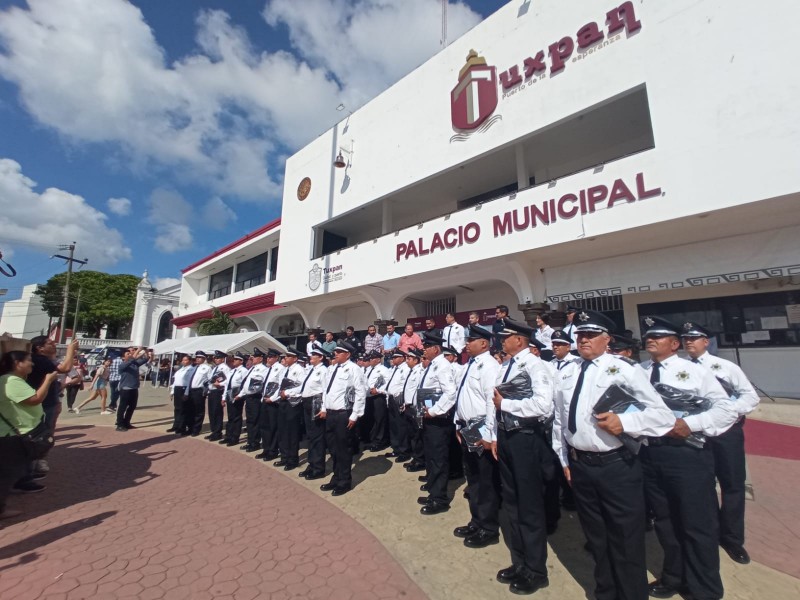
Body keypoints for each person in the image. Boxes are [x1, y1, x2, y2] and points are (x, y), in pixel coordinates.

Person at [552, 310, 675, 600]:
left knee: (626, 540)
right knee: (596, 538)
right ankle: (605, 592)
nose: (583, 340)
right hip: (581, 467)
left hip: (616, 466)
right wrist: (564, 460)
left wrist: (627, 423)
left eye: (591, 335)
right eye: (580, 334)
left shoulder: (624, 368)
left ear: (606, 340)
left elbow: (663, 417)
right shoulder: (567, 371)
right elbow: (560, 420)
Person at [639, 316, 736, 600]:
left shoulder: (693, 371)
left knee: (697, 524)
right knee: (666, 523)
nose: (650, 340)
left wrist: (691, 425)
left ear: (675, 343)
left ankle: (704, 588)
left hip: (687, 454)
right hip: (651, 453)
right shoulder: (639, 371)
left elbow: (725, 410)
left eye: (658, 336)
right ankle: (674, 577)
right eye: (648, 337)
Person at [681, 321, 760, 565]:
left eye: (694, 338)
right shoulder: (681, 368)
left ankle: (732, 538)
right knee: (701, 486)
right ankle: (709, 532)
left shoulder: (725, 367)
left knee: (732, 484)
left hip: (726, 433)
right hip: (696, 433)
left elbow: (750, 396)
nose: (689, 342)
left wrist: (725, 411)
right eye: (685, 338)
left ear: (706, 341)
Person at [492, 318, 553, 595]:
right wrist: (495, 435)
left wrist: (507, 404)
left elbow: (543, 405)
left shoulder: (534, 365)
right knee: (512, 503)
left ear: (520, 340)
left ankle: (536, 570)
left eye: (507, 337)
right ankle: (520, 561)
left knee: (529, 506)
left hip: (526, 440)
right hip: (506, 437)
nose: (502, 341)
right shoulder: (507, 365)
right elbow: (493, 404)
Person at [453, 325, 501, 548]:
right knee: (472, 479)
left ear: (483, 343)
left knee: (484, 481)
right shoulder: (469, 365)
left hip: (481, 430)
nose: (466, 344)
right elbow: (461, 395)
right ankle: (476, 521)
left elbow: (491, 403)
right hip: (467, 428)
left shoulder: (489, 366)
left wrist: (489, 435)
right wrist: (457, 422)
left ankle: (488, 528)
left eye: (470, 340)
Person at [0, 351, 59, 512]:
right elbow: (34, 400)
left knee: (11, 472)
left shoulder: (13, 380)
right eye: (28, 361)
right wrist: (47, 380)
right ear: (17, 363)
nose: (31, 364)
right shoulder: (10, 381)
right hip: (11, 435)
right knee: (7, 474)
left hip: (14, 433)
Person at [319, 340, 367, 496]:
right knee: (333, 448)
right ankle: (336, 476)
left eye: (339, 352)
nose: (336, 354)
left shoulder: (354, 369)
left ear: (347, 354)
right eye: (336, 352)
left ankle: (344, 481)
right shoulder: (332, 369)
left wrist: (355, 415)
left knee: (343, 449)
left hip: (344, 414)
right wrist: (324, 408)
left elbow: (360, 392)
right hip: (331, 414)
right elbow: (326, 390)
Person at [417, 331, 457, 515]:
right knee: (431, 458)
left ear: (436, 348)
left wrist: (434, 411)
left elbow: (450, 393)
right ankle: (433, 491)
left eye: (427, 347)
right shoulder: (432, 365)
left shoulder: (443, 366)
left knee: (438, 459)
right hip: (429, 419)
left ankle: (439, 499)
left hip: (438, 421)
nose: (424, 349)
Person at [298, 347, 330, 480]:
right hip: (307, 403)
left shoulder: (323, 371)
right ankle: (311, 465)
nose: (311, 357)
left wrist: (324, 408)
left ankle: (318, 468)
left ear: (321, 357)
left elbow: (325, 391)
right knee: (311, 436)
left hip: (316, 403)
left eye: (314, 355)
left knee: (317, 436)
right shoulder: (311, 370)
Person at [276, 347, 307, 471]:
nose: (285, 358)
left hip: (293, 403)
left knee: (292, 432)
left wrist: (288, 393)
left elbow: (301, 387)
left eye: (288, 356)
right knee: (282, 431)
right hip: (282, 402)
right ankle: (284, 456)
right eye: (285, 357)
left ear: (295, 358)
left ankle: (292, 459)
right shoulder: (284, 370)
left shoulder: (300, 370)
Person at [378, 349, 410, 461]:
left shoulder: (405, 369)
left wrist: (403, 401)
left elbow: (405, 386)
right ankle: (396, 448)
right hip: (391, 398)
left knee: (401, 426)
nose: (393, 359)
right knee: (393, 426)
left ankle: (404, 451)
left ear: (402, 358)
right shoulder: (393, 369)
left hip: (399, 399)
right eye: (393, 358)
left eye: (396, 357)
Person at [236, 347, 269, 452]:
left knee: (255, 421)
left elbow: (259, 385)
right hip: (249, 397)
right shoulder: (252, 368)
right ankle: (250, 441)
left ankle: (255, 443)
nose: (252, 359)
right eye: (252, 357)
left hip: (255, 397)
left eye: (255, 357)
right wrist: (241, 394)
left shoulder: (263, 369)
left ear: (260, 358)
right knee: (250, 421)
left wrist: (250, 392)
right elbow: (246, 383)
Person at [256, 349, 284, 460]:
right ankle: (266, 449)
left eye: (271, 356)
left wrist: (272, 399)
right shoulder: (270, 369)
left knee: (273, 427)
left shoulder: (280, 369)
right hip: (264, 400)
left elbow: (281, 386)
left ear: (277, 357)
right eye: (268, 357)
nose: (268, 358)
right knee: (264, 427)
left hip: (273, 402)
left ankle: (273, 451)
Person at [401, 348, 426, 473]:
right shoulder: (411, 371)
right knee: (411, 435)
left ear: (416, 360)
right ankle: (415, 457)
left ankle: (420, 460)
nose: (406, 361)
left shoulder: (419, 372)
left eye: (409, 359)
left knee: (417, 436)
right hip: (409, 406)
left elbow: (417, 391)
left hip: (415, 408)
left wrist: (416, 408)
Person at [115, 346, 148, 431]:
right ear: (123, 357)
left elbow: (146, 359)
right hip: (125, 388)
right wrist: (138, 350)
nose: (130, 354)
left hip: (134, 388)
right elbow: (132, 359)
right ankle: (119, 424)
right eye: (128, 353)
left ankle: (127, 422)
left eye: (130, 353)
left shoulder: (134, 364)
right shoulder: (123, 365)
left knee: (132, 406)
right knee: (123, 407)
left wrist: (146, 351)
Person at [221, 352, 248, 445]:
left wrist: (240, 395)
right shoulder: (232, 371)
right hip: (229, 394)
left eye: (236, 360)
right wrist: (224, 397)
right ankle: (228, 436)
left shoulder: (244, 371)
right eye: (233, 360)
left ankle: (235, 437)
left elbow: (244, 385)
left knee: (236, 417)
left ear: (241, 361)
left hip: (237, 396)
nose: (234, 361)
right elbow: (226, 385)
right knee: (230, 416)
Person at [365, 350, 390, 451]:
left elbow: (387, 383)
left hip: (379, 397)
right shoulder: (369, 369)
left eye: (372, 358)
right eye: (370, 358)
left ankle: (380, 441)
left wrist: (378, 390)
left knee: (379, 419)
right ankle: (373, 440)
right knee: (372, 419)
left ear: (378, 359)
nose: (370, 360)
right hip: (369, 397)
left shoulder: (383, 369)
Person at [205, 351, 231, 442]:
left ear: (222, 358)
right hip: (212, 391)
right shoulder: (215, 368)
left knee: (217, 412)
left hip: (218, 391)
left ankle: (217, 432)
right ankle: (213, 431)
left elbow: (228, 380)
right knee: (211, 412)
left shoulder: (225, 368)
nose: (216, 359)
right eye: (215, 358)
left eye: (218, 358)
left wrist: (220, 384)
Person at [186, 351, 212, 437]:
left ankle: (196, 429)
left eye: (200, 357)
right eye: (197, 357)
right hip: (191, 390)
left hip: (199, 391)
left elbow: (210, 380)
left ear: (204, 359)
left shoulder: (207, 368)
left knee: (198, 411)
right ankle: (190, 428)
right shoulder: (194, 367)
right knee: (190, 410)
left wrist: (206, 391)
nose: (197, 359)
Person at [168, 355, 192, 434]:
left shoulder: (190, 369)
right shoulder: (180, 369)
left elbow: (189, 382)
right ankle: (176, 425)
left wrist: (186, 393)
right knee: (177, 409)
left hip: (183, 389)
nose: (183, 361)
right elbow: (175, 381)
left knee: (182, 409)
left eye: (185, 360)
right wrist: (172, 391)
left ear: (189, 361)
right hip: (177, 389)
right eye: (183, 360)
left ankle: (182, 427)